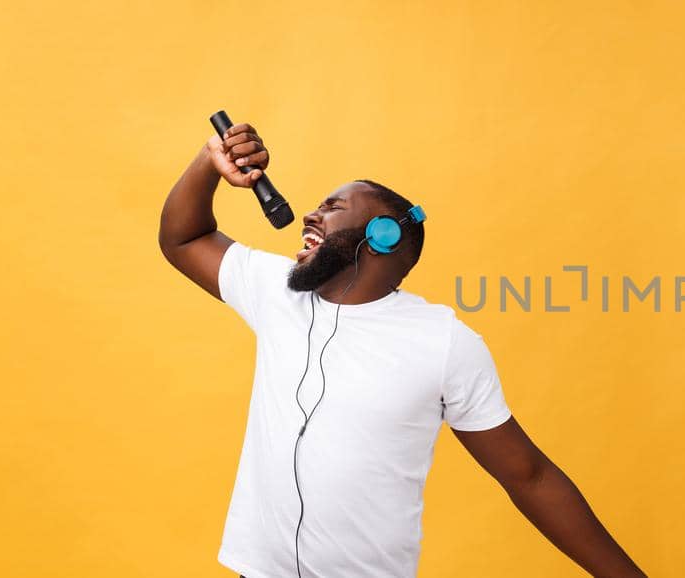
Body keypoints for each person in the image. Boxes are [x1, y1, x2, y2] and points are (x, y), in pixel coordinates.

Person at [157, 122, 647, 578]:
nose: (310, 213)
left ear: (382, 237)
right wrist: (209, 162)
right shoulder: (276, 289)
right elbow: (184, 237)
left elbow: (531, 477)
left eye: (332, 207)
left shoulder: (443, 342)